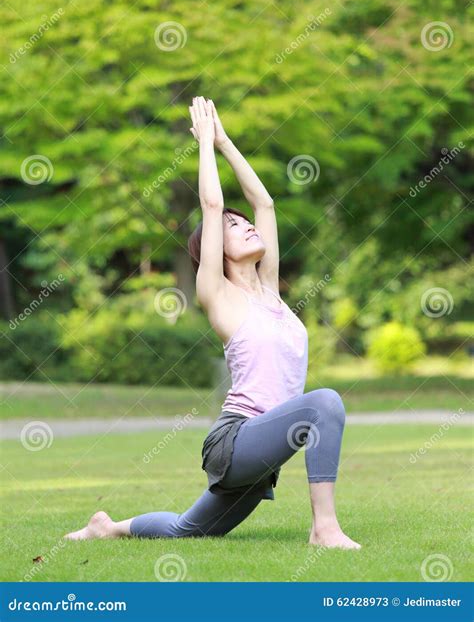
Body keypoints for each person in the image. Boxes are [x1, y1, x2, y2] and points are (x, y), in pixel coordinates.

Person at [65, 97, 360, 549]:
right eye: (232, 226)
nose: (244, 225)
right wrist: (203, 144)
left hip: (266, 445)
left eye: (243, 223)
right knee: (324, 403)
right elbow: (211, 201)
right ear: (214, 251)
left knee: (192, 529)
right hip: (236, 442)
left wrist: (224, 141)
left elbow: (265, 202)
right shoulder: (219, 296)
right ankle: (324, 529)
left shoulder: (269, 289)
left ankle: (107, 526)